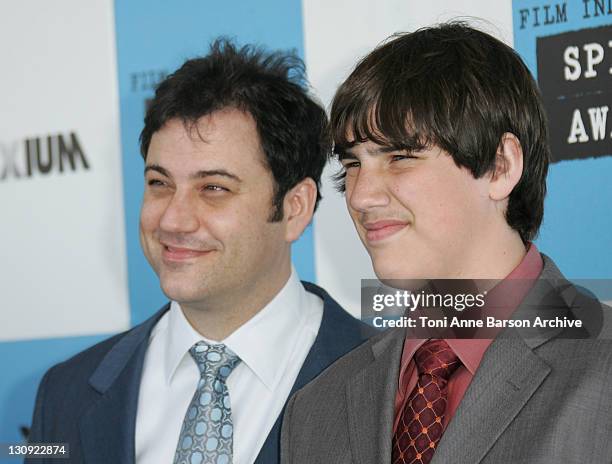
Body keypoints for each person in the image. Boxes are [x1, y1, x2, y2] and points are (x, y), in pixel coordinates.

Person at [27, 39, 374, 464]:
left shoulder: (392, 381)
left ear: (294, 207)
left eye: (213, 188)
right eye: (159, 183)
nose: (173, 220)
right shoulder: (65, 393)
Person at [281, 22, 612, 464]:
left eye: (400, 157)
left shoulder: (602, 370)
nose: (360, 196)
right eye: (352, 164)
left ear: (500, 166)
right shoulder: (315, 408)